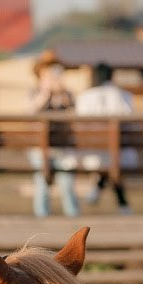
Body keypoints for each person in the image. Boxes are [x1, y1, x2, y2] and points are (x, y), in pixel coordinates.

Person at [75, 61, 134, 210]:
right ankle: (123, 205)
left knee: (109, 165)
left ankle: (101, 191)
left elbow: (80, 124)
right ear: (111, 76)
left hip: (94, 151)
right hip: (121, 150)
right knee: (113, 165)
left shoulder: (85, 96)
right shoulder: (124, 95)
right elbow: (132, 122)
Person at [27, 49, 79, 218]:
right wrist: (46, 93)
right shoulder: (35, 92)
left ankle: (73, 217)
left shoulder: (67, 93)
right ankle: (41, 216)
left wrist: (62, 94)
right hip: (41, 148)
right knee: (42, 185)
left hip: (63, 147)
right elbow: (31, 112)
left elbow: (74, 113)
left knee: (67, 185)